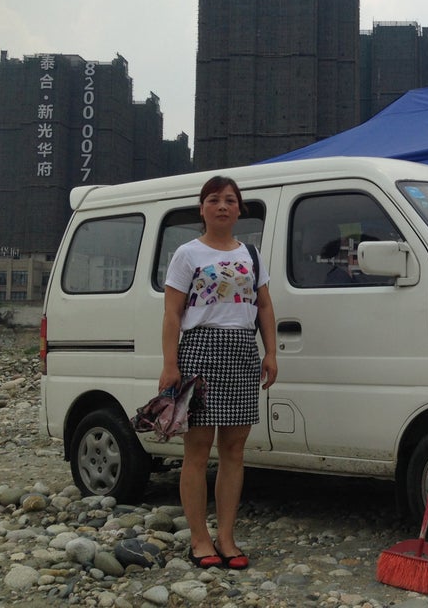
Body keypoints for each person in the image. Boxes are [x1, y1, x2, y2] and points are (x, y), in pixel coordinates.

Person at [160, 175, 278, 570]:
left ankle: (226, 537)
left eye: (230, 200)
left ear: (240, 209)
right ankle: (199, 539)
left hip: (243, 351)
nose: (223, 206)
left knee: (234, 450)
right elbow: (172, 313)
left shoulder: (252, 255)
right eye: (214, 199)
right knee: (196, 451)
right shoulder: (187, 254)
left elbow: (263, 307)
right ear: (203, 208)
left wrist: (271, 352)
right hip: (199, 351)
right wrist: (170, 363)